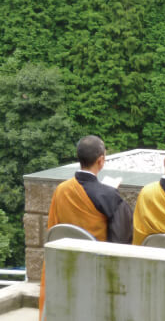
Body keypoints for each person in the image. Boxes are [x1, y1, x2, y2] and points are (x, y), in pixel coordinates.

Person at [40, 135, 133, 317]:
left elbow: (53, 231)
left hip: (66, 265)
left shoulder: (61, 190)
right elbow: (121, 239)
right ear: (101, 161)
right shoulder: (109, 196)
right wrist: (110, 192)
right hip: (96, 270)